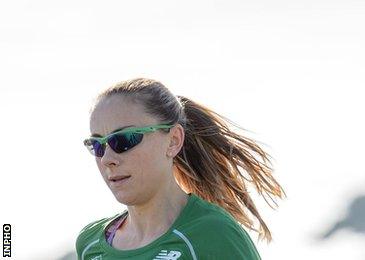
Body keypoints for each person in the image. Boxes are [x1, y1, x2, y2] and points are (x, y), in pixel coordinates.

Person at [75, 78, 284, 260]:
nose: (107, 159)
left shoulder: (214, 235)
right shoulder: (90, 245)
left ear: (173, 141)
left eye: (124, 140)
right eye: (97, 145)